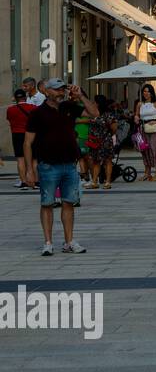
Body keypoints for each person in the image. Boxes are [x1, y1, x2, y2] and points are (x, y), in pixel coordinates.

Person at [23, 79, 97, 254]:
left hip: (69, 165)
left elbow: (94, 113)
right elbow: (27, 143)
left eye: (62, 90)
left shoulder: (69, 107)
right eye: (56, 90)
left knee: (68, 203)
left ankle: (69, 241)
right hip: (48, 166)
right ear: (47, 91)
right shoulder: (37, 113)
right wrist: (29, 170)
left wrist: (80, 96)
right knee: (47, 203)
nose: (60, 93)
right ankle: (48, 242)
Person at [134, 83, 156, 182]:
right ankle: (147, 173)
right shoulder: (140, 104)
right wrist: (136, 118)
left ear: (152, 92)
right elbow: (137, 115)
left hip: (155, 129)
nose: (146, 93)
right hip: (143, 129)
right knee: (145, 151)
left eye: (148, 91)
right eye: (144, 91)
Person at [85, 97, 119, 190]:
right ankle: (95, 181)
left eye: (94, 102)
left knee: (107, 161)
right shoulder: (93, 114)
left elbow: (114, 128)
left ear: (98, 103)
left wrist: (109, 135)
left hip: (105, 141)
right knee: (96, 161)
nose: (93, 104)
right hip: (95, 141)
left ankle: (107, 181)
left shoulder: (108, 115)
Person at [8, 88, 36, 190]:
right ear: (26, 97)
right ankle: (36, 181)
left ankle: (24, 182)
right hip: (31, 134)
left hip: (17, 134)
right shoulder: (33, 107)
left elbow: (9, 119)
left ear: (15, 98)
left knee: (20, 158)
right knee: (34, 158)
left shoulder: (10, 109)